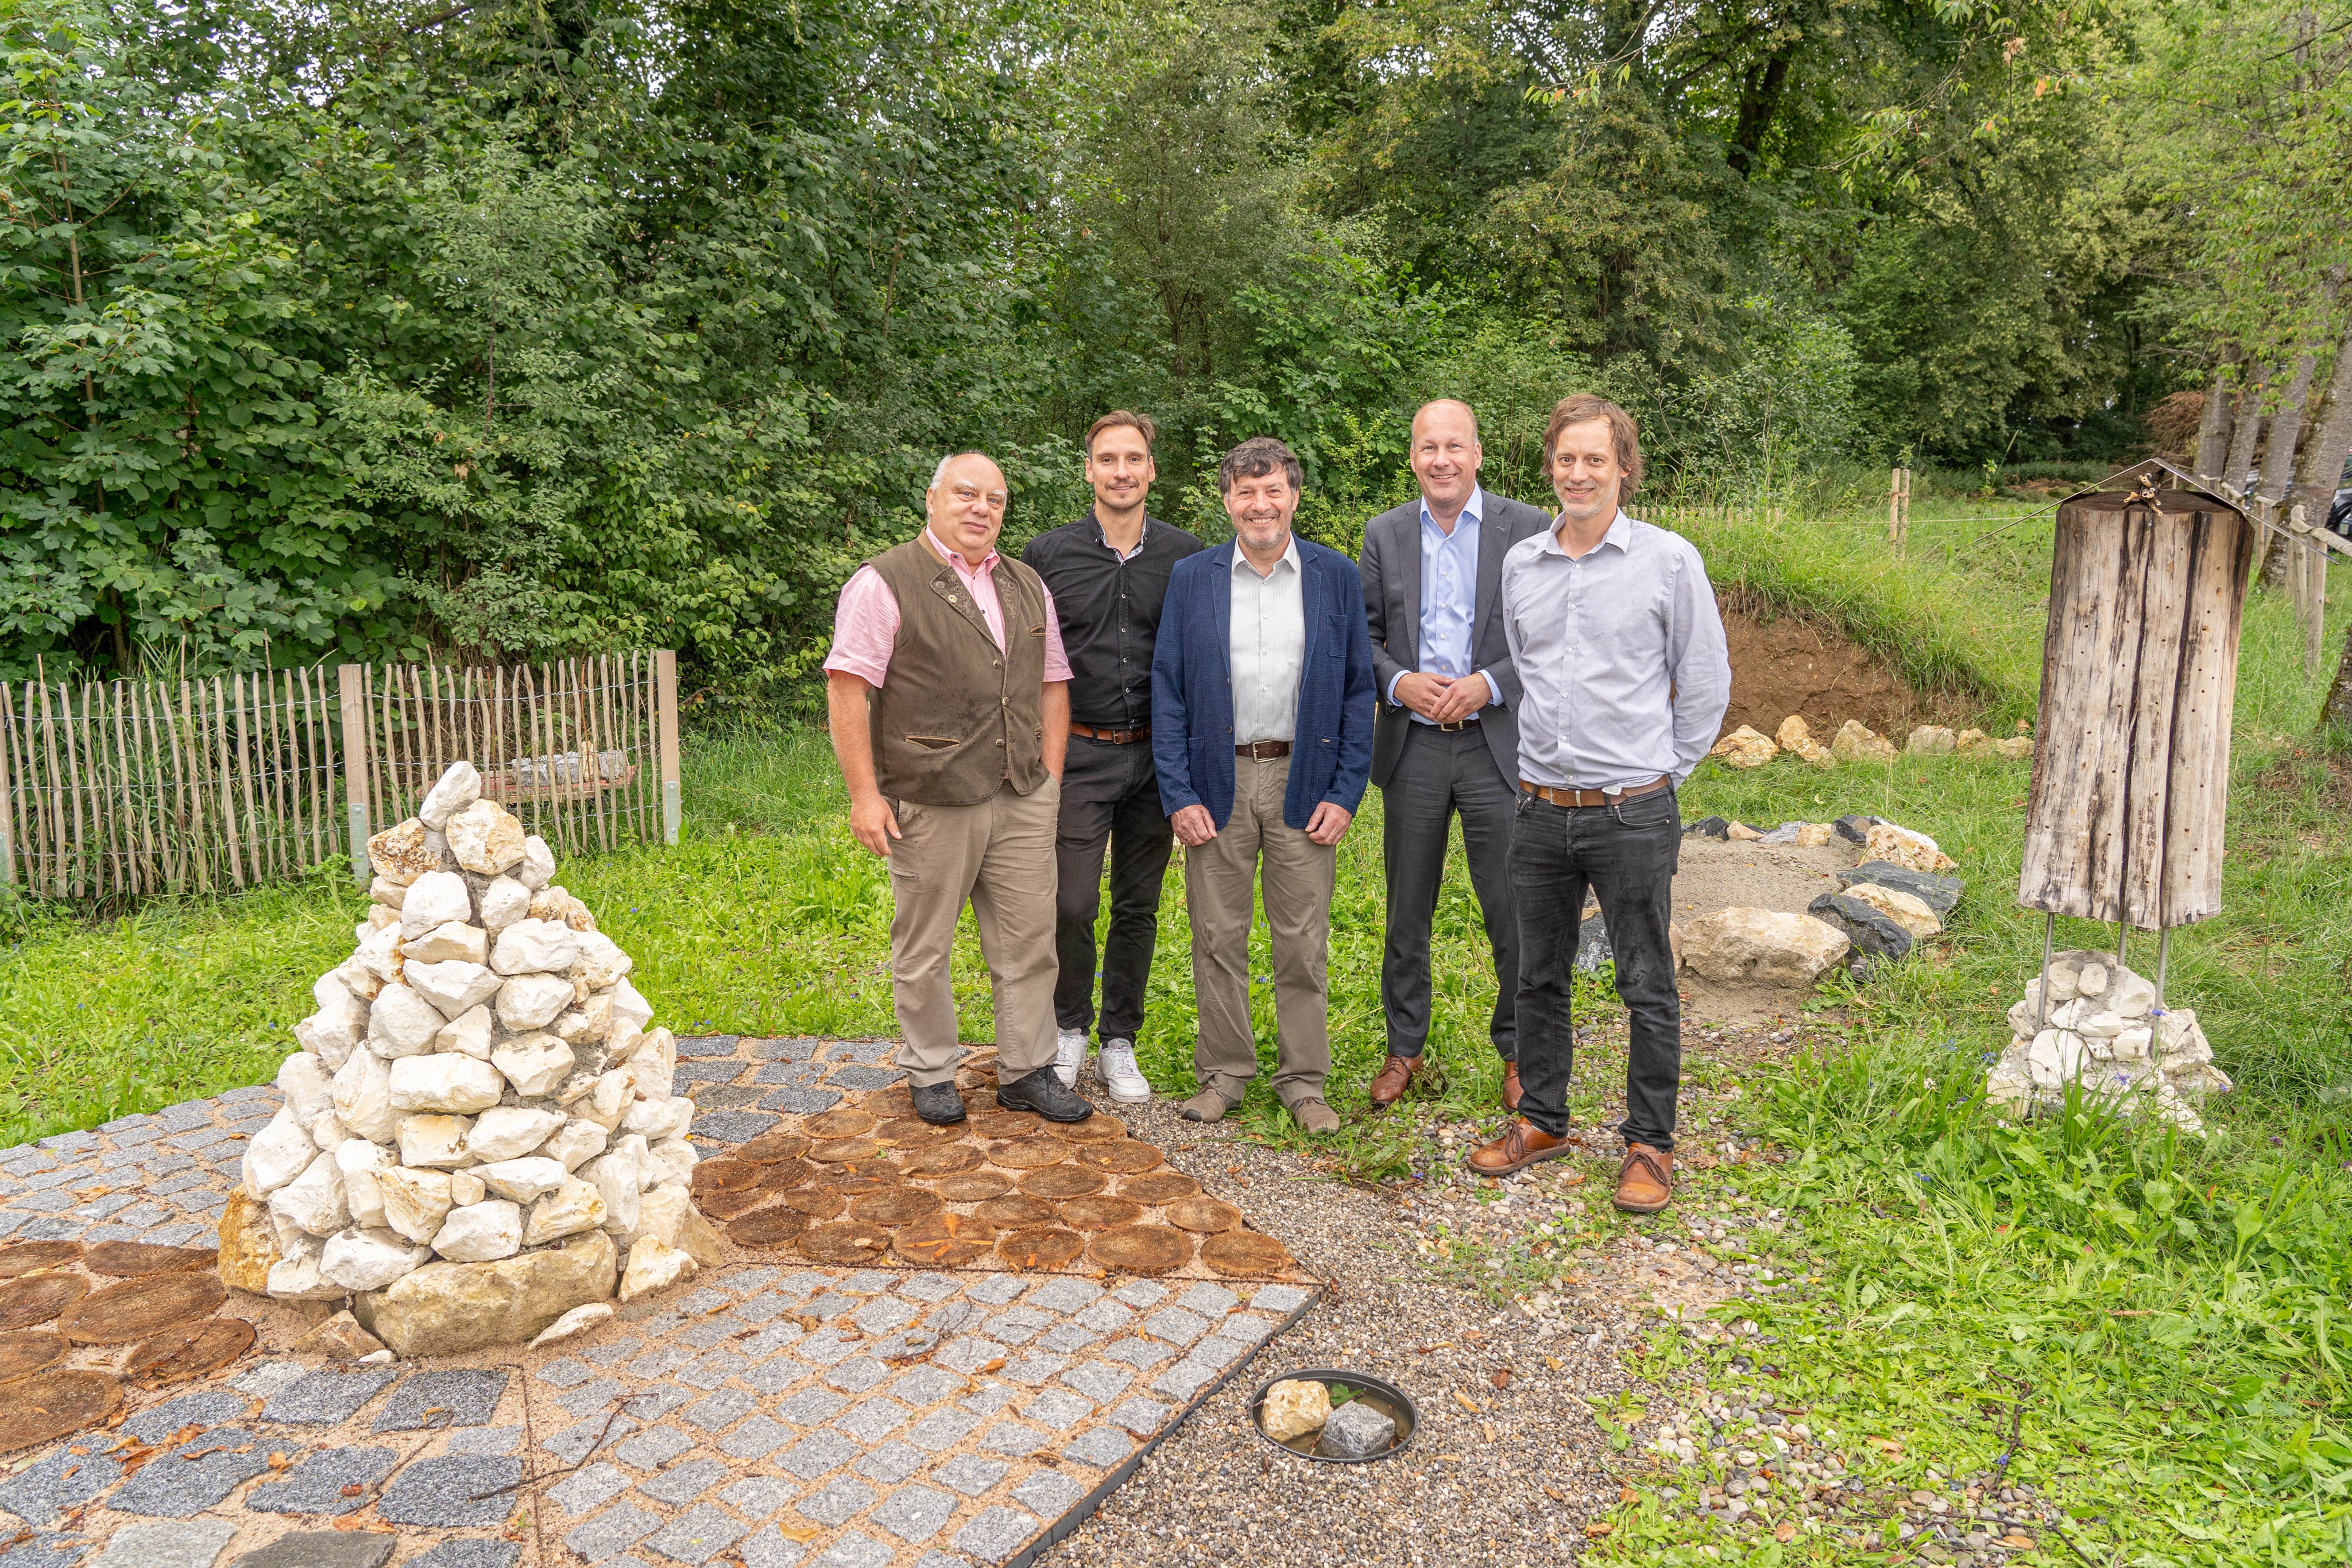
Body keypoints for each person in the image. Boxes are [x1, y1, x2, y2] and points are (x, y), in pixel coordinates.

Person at [1465, 395, 1730, 1213]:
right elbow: (1530, 676)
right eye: (1565, 459)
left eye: (1595, 460)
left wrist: (1657, 776)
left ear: (1624, 467)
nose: (1578, 474)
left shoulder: (1668, 560)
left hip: (1632, 810)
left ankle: (1650, 1142)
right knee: (1537, 976)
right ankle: (1543, 1118)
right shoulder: (1522, 564)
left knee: (1645, 979)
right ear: (1550, 466)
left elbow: (1706, 684)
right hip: (1539, 807)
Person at [822, 451, 1096, 1128]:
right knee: (925, 944)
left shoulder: (1029, 583)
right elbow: (847, 688)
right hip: (929, 793)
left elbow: (1053, 684)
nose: (981, 509)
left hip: (1022, 793)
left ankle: (1027, 1069)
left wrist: (1051, 780)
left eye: (995, 500)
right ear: (933, 498)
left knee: (1031, 942)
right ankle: (932, 1070)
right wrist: (865, 795)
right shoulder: (883, 581)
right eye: (966, 494)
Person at [1151, 436, 1376, 1132]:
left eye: (1272, 490)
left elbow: (1356, 689)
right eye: (1246, 493)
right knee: (1217, 936)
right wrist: (1178, 792)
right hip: (1216, 777)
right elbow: (1168, 689)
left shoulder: (1333, 576)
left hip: (1302, 777)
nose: (1260, 505)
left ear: (1294, 497)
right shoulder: (1193, 577)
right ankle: (1224, 1073)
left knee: (1301, 940)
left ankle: (1304, 1080)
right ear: (1227, 502)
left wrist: (1344, 792)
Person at [1359, 399, 1554, 1112]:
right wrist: (1400, 681)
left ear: (1477, 454)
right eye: (1427, 447)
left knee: (1512, 908)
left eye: (1454, 447)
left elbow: (1548, 635)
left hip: (1495, 747)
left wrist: (1488, 683)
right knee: (1407, 909)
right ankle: (1403, 1047)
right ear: (1412, 457)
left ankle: (1521, 1053)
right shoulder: (1384, 534)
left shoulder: (1528, 529)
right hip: (1412, 748)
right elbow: (1365, 636)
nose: (1440, 460)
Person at [1022, 412, 1203, 1103]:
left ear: (1151, 469)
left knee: (1138, 903)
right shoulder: (1046, 555)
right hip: (1079, 755)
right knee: (1069, 901)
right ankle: (1069, 1024)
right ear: (1089, 470)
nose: (1121, 470)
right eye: (1107, 459)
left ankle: (1119, 1039)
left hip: (1157, 757)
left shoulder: (1187, 556)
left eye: (1133, 458)